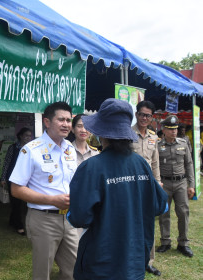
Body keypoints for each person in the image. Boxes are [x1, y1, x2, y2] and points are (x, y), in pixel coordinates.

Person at [67, 98, 168, 280]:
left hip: (101, 263)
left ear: (101, 133)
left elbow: (78, 217)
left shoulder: (91, 167)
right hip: (135, 261)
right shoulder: (141, 164)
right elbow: (161, 205)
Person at [9, 102, 79, 280]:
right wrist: (52, 200)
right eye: (61, 119)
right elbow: (16, 190)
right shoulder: (31, 150)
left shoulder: (70, 149)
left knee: (76, 268)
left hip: (69, 219)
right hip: (43, 219)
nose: (66, 124)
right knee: (43, 272)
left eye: (69, 120)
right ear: (47, 122)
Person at [157, 115, 195, 257]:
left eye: (175, 129)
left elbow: (189, 165)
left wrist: (191, 185)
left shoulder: (183, 144)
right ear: (164, 130)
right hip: (164, 183)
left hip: (181, 183)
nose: (174, 132)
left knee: (183, 212)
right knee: (164, 213)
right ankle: (165, 241)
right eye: (170, 129)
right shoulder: (158, 146)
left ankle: (183, 243)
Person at [131, 100, 162, 276]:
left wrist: (158, 183)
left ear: (151, 118)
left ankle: (148, 262)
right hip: (131, 185)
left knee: (148, 224)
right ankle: (132, 258)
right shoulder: (127, 134)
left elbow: (155, 162)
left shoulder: (153, 137)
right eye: (141, 114)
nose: (144, 118)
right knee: (131, 222)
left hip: (148, 187)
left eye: (148, 115)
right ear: (136, 114)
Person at [0, 127, 32, 235]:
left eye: (30, 135)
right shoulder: (13, 148)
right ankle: (19, 225)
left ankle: (12, 221)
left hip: (27, 178)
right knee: (16, 202)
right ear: (21, 136)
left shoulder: (31, 149)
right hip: (13, 179)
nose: (28, 138)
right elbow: (7, 163)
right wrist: (3, 178)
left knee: (23, 203)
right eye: (26, 135)